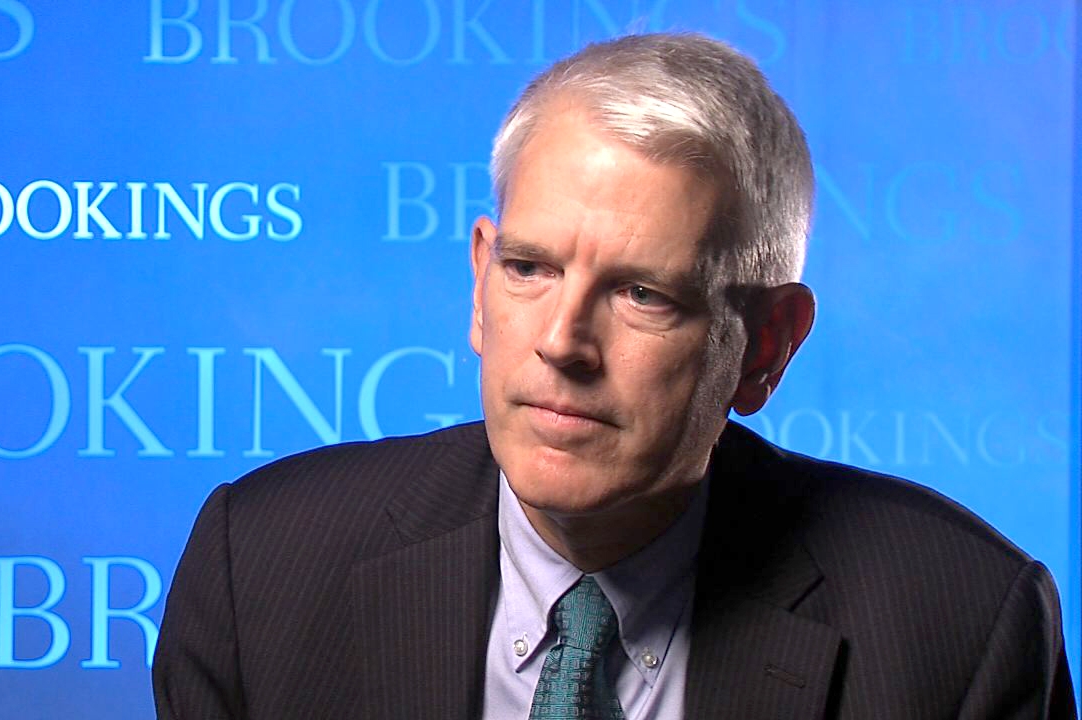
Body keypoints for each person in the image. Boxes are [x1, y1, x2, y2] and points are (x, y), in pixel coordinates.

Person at [152, 33, 1074, 719]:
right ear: (479, 282)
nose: (562, 343)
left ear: (766, 345)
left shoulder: (961, 628)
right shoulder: (259, 570)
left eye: (642, 294)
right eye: (529, 268)